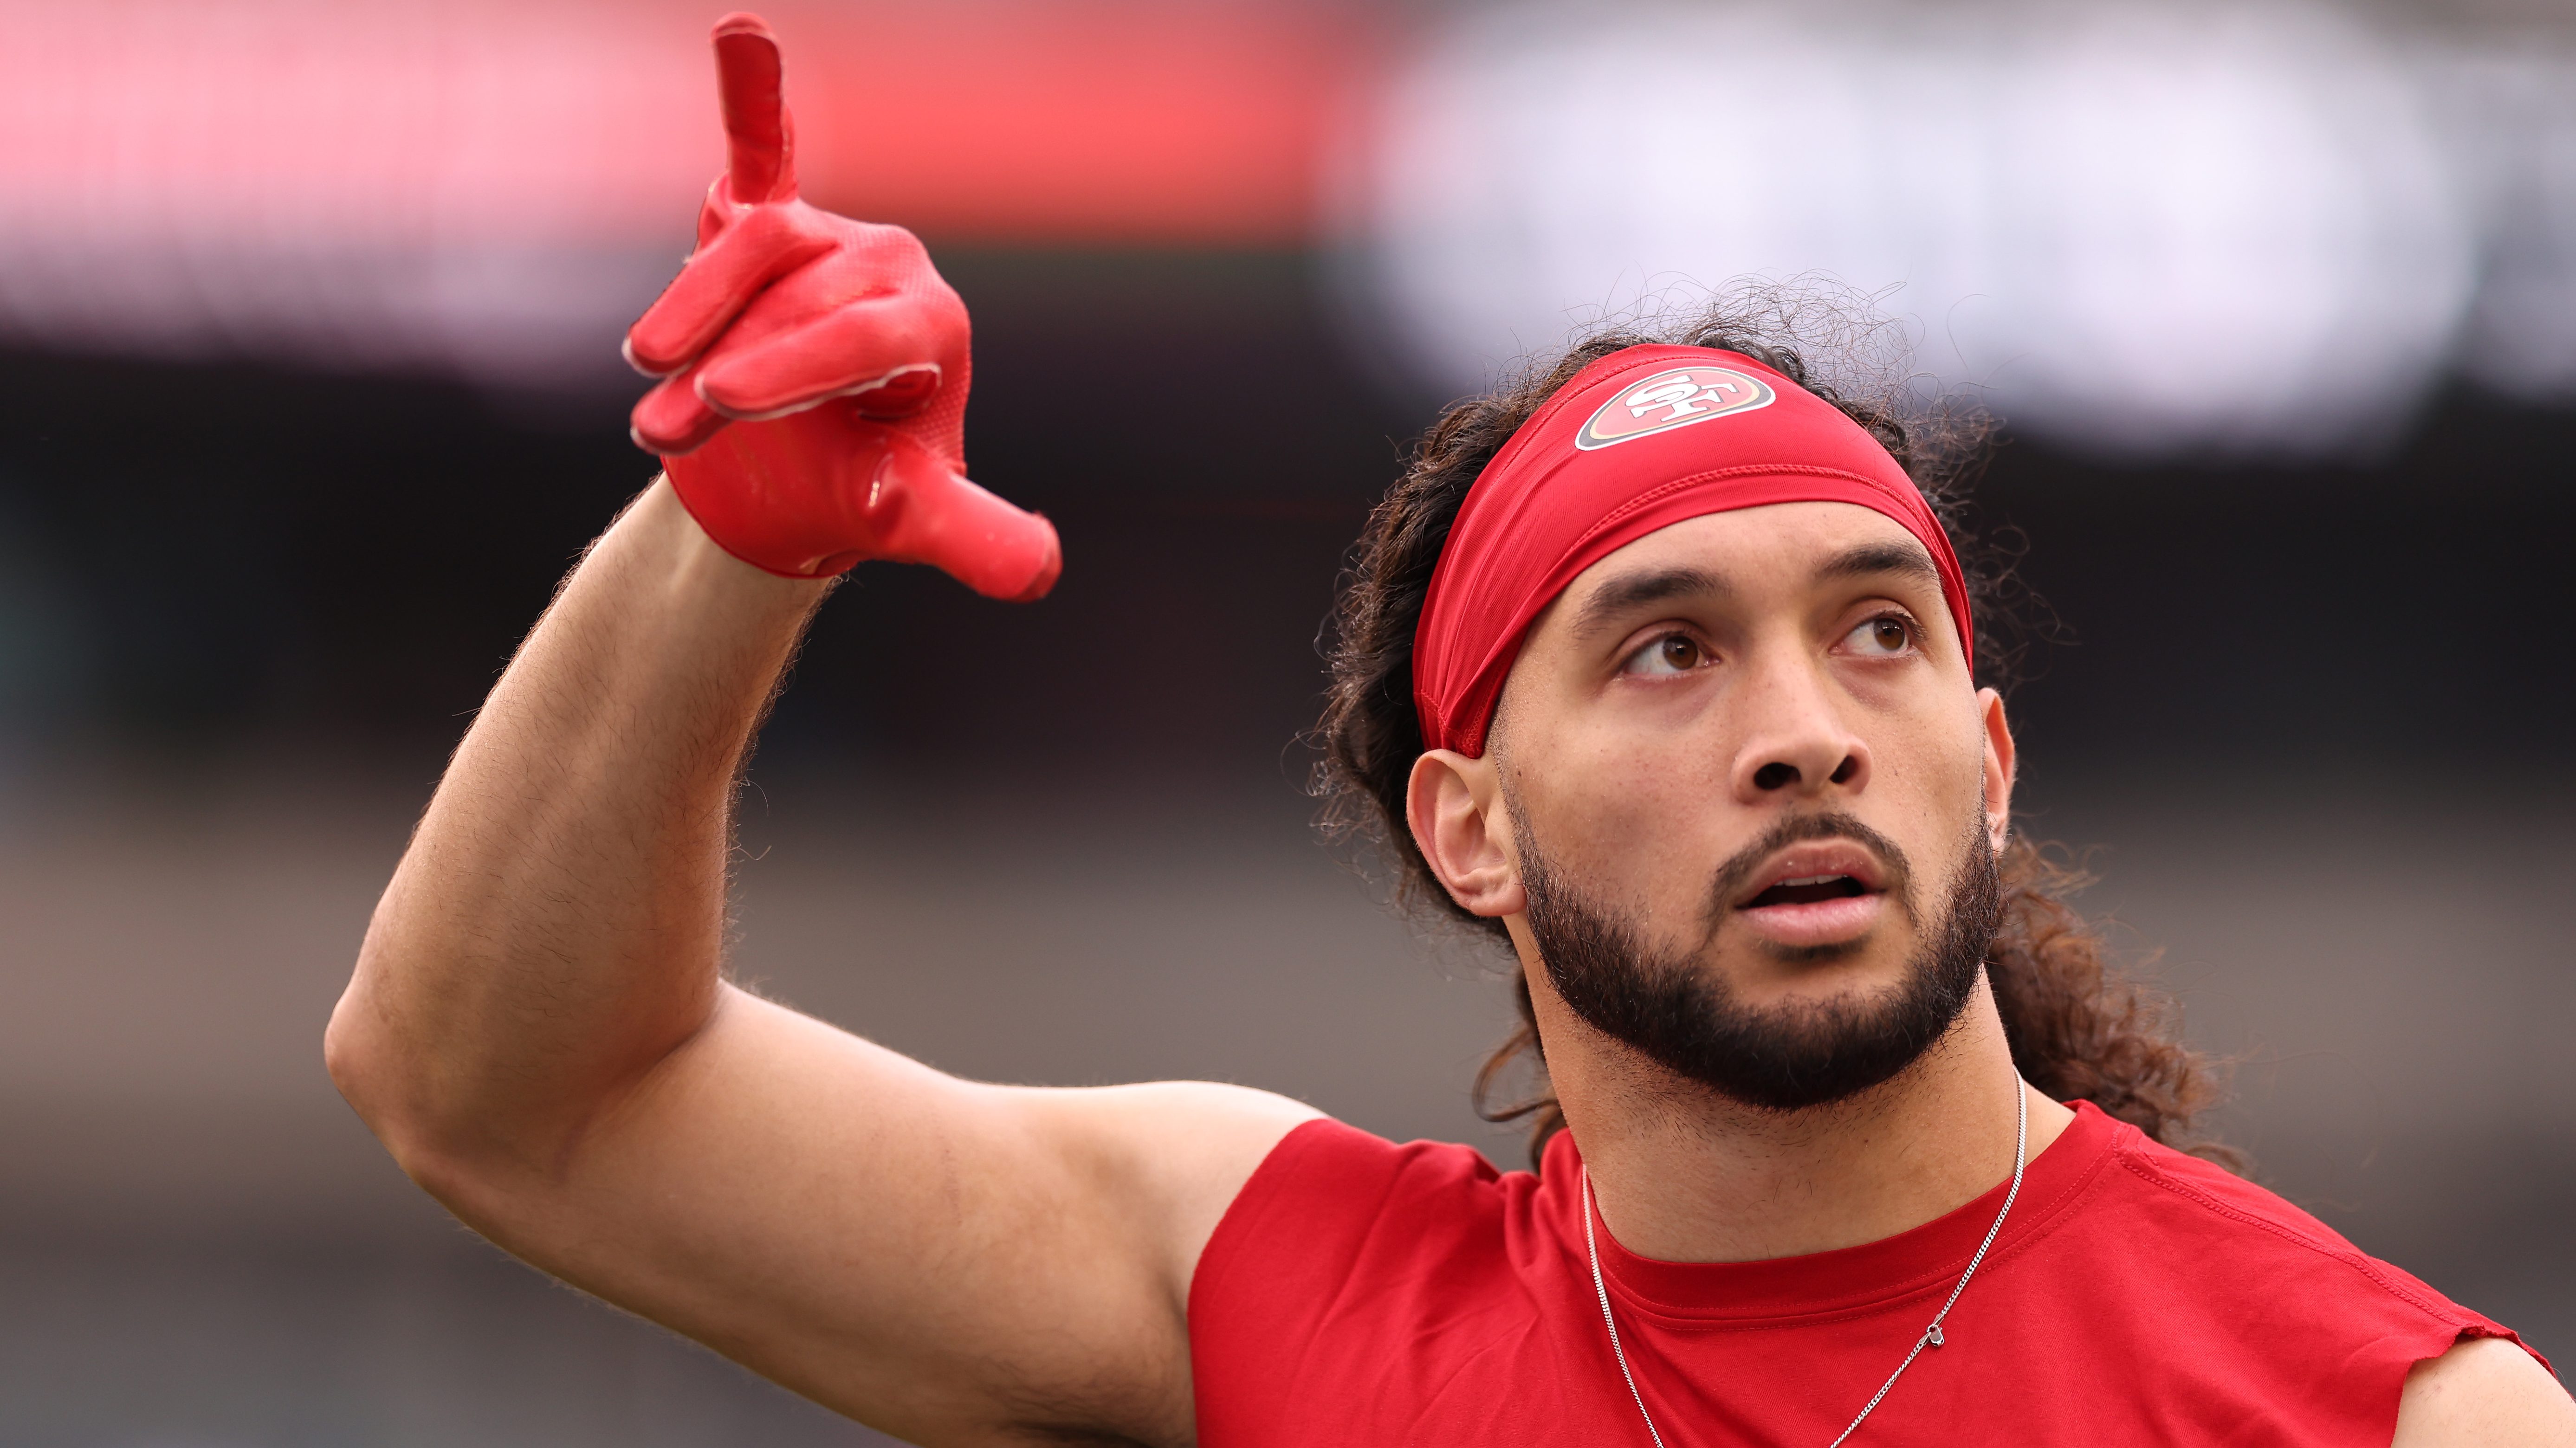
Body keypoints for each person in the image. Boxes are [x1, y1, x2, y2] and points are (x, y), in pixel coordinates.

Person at [325, 13, 2572, 1447]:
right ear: (1464, 826)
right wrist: (735, 537)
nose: (1802, 734)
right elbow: (509, 1089)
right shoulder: (1272, 1300)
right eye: (1664, 652)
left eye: (1873, 637)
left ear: (1987, 755)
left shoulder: (2391, 1416)